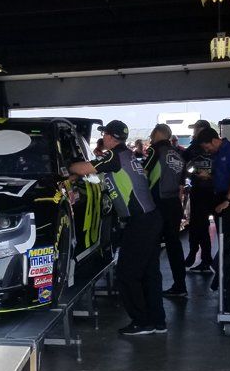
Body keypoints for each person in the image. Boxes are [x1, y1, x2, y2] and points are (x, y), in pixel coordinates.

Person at [70, 120, 166, 336]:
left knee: (126, 274)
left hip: (140, 223)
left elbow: (85, 168)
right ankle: (158, 321)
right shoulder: (127, 155)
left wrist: (69, 166)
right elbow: (96, 176)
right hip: (151, 219)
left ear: (111, 137)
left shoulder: (114, 156)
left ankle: (142, 322)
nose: (103, 137)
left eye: (104, 134)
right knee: (150, 273)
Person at [144, 124, 187, 298]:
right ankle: (180, 285)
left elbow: (142, 172)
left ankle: (150, 287)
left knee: (152, 245)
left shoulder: (156, 150)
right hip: (174, 203)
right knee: (174, 245)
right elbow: (182, 183)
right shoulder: (178, 153)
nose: (151, 137)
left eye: (152, 133)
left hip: (157, 203)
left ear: (157, 133)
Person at [197, 126, 230, 236]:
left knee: (225, 223)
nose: (206, 150)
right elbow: (221, 176)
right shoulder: (216, 155)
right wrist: (208, 176)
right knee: (217, 223)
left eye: (207, 147)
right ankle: (223, 250)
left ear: (214, 141)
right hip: (219, 193)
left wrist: (227, 201)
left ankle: (228, 251)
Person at [183, 120, 214, 272]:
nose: (194, 132)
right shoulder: (193, 148)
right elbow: (184, 164)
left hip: (208, 190)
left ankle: (204, 258)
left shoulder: (209, 147)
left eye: (196, 130)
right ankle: (199, 255)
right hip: (198, 189)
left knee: (200, 225)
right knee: (197, 225)